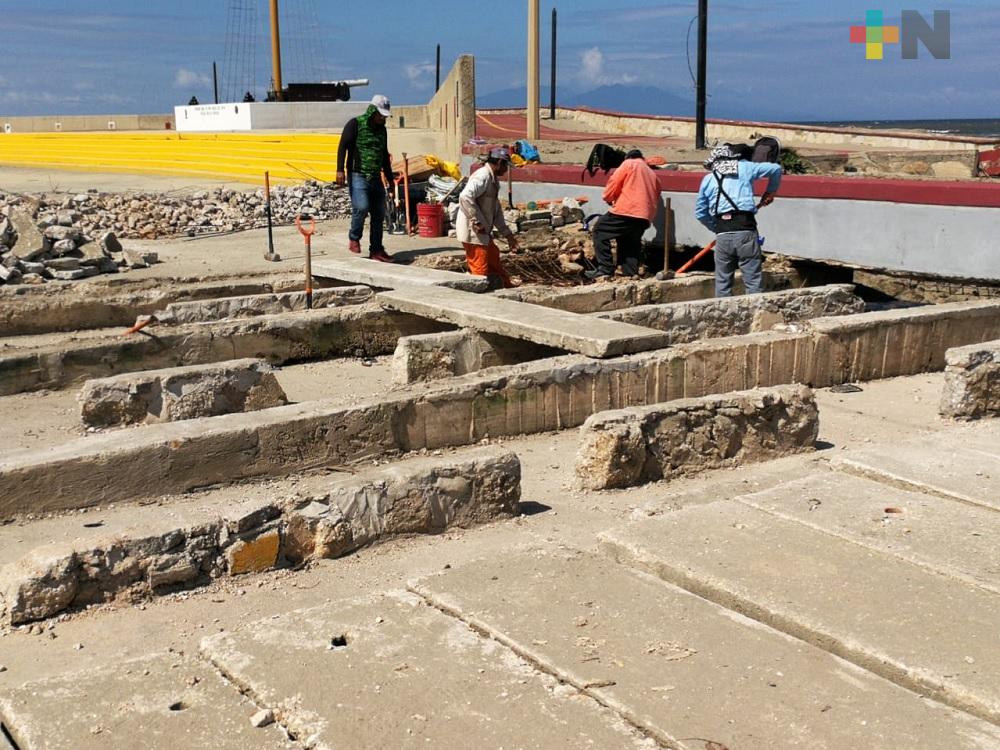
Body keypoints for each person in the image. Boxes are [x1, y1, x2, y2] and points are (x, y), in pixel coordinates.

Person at [695, 144, 782, 296]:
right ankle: (757, 315)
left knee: (722, 283)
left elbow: (700, 213)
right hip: (745, 229)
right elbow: (775, 169)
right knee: (753, 280)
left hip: (722, 234)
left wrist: (716, 228)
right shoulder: (744, 167)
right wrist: (770, 192)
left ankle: (722, 317)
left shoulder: (708, 179)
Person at [585, 149, 661, 280]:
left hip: (627, 210)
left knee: (600, 230)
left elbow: (614, 183)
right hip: (644, 216)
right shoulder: (652, 173)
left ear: (628, 157)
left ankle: (605, 268)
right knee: (629, 242)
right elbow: (657, 193)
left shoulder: (629, 164)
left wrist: (608, 198)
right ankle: (630, 274)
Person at [336, 94, 395, 262]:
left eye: (385, 116)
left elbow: (384, 155)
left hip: (375, 176)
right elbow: (342, 146)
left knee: (379, 214)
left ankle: (376, 250)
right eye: (381, 115)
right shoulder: (355, 124)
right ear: (372, 111)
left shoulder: (382, 130)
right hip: (358, 175)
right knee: (361, 206)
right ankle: (354, 237)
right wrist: (339, 170)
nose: (383, 119)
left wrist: (390, 178)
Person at [456, 147, 519, 288]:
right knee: (480, 268)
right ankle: (478, 297)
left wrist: (508, 235)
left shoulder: (493, 180)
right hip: (474, 231)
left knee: (493, 257)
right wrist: (476, 221)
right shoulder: (482, 177)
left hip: (482, 231)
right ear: (499, 163)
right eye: (505, 167)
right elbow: (465, 197)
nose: (506, 171)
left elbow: (496, 212)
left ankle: (506, 286)